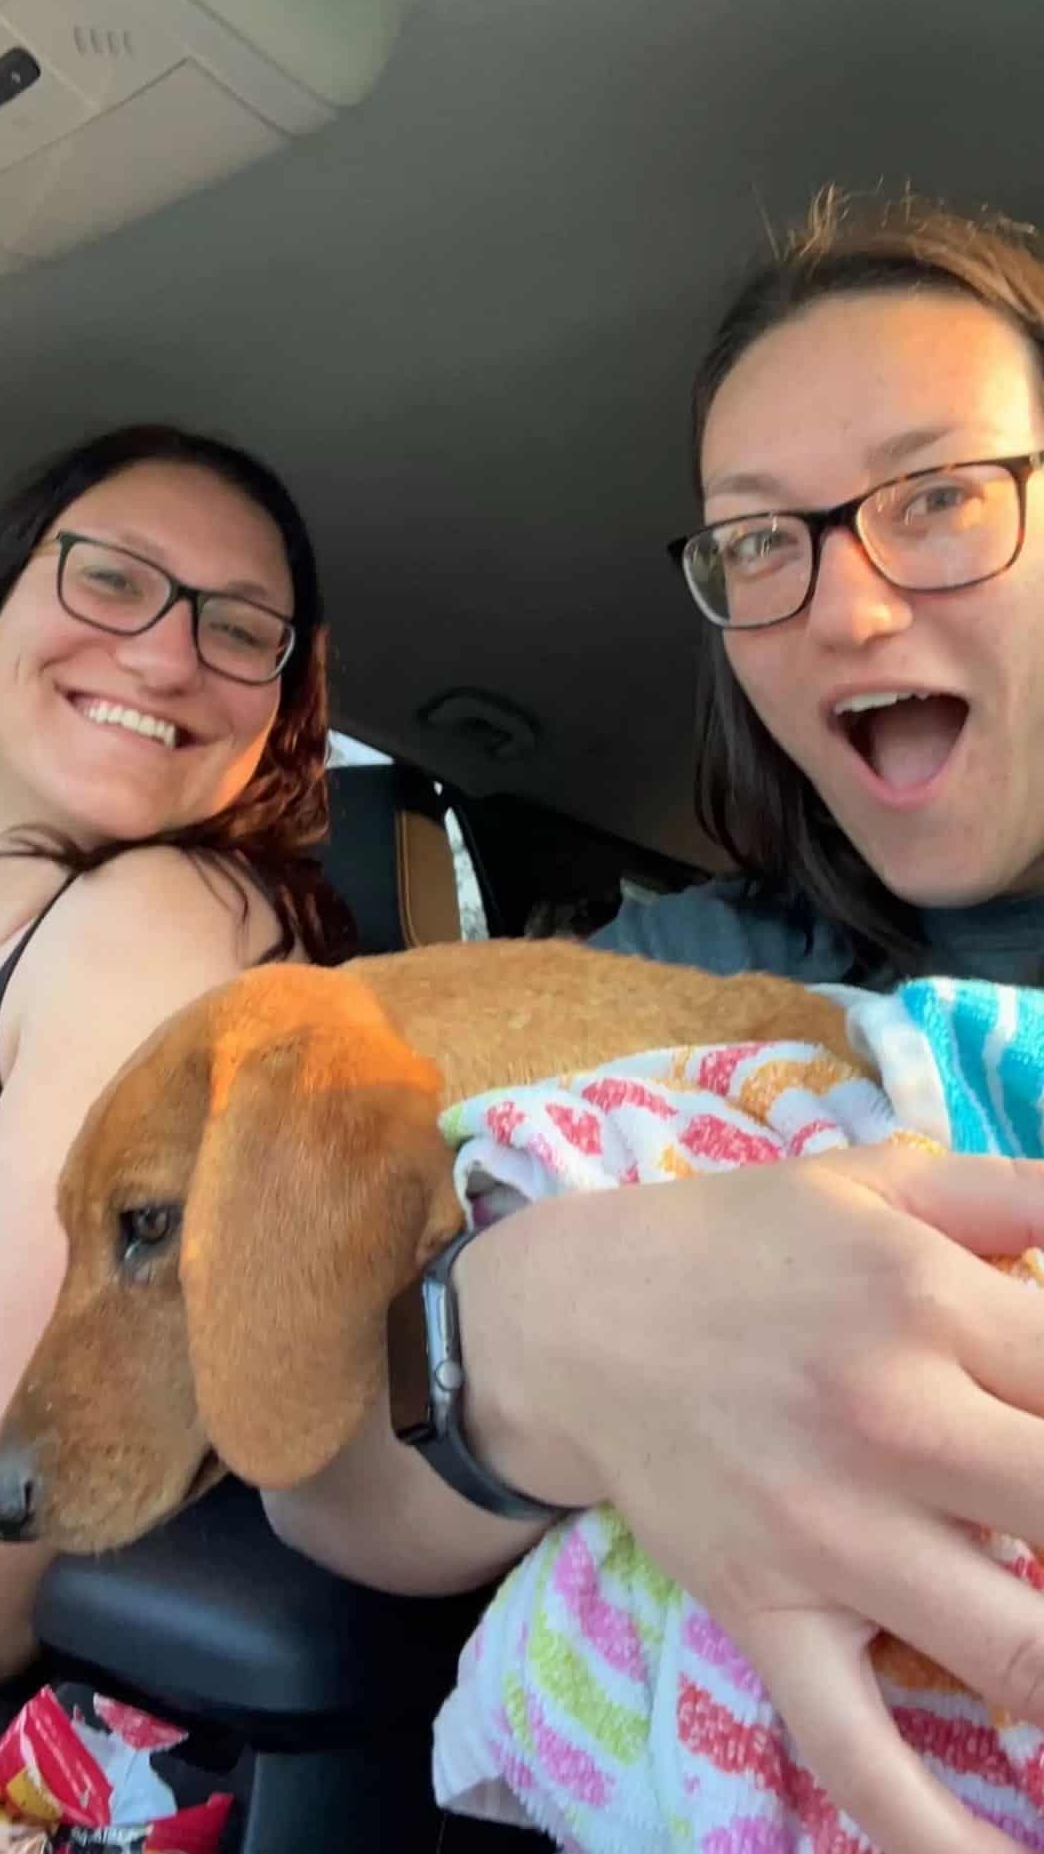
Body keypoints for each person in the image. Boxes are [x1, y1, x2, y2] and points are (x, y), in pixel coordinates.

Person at [266, 191, 1044, 1854]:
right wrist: (539, 1326)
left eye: (942, 495)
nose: (843, 606)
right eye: (762, 537)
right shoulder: (677, 979)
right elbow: (310, 1458)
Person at [0, 421, 347, 1687]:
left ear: (273, 722)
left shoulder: (174, 916)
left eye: (237, 628)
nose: (169, 653)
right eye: (111, 577)